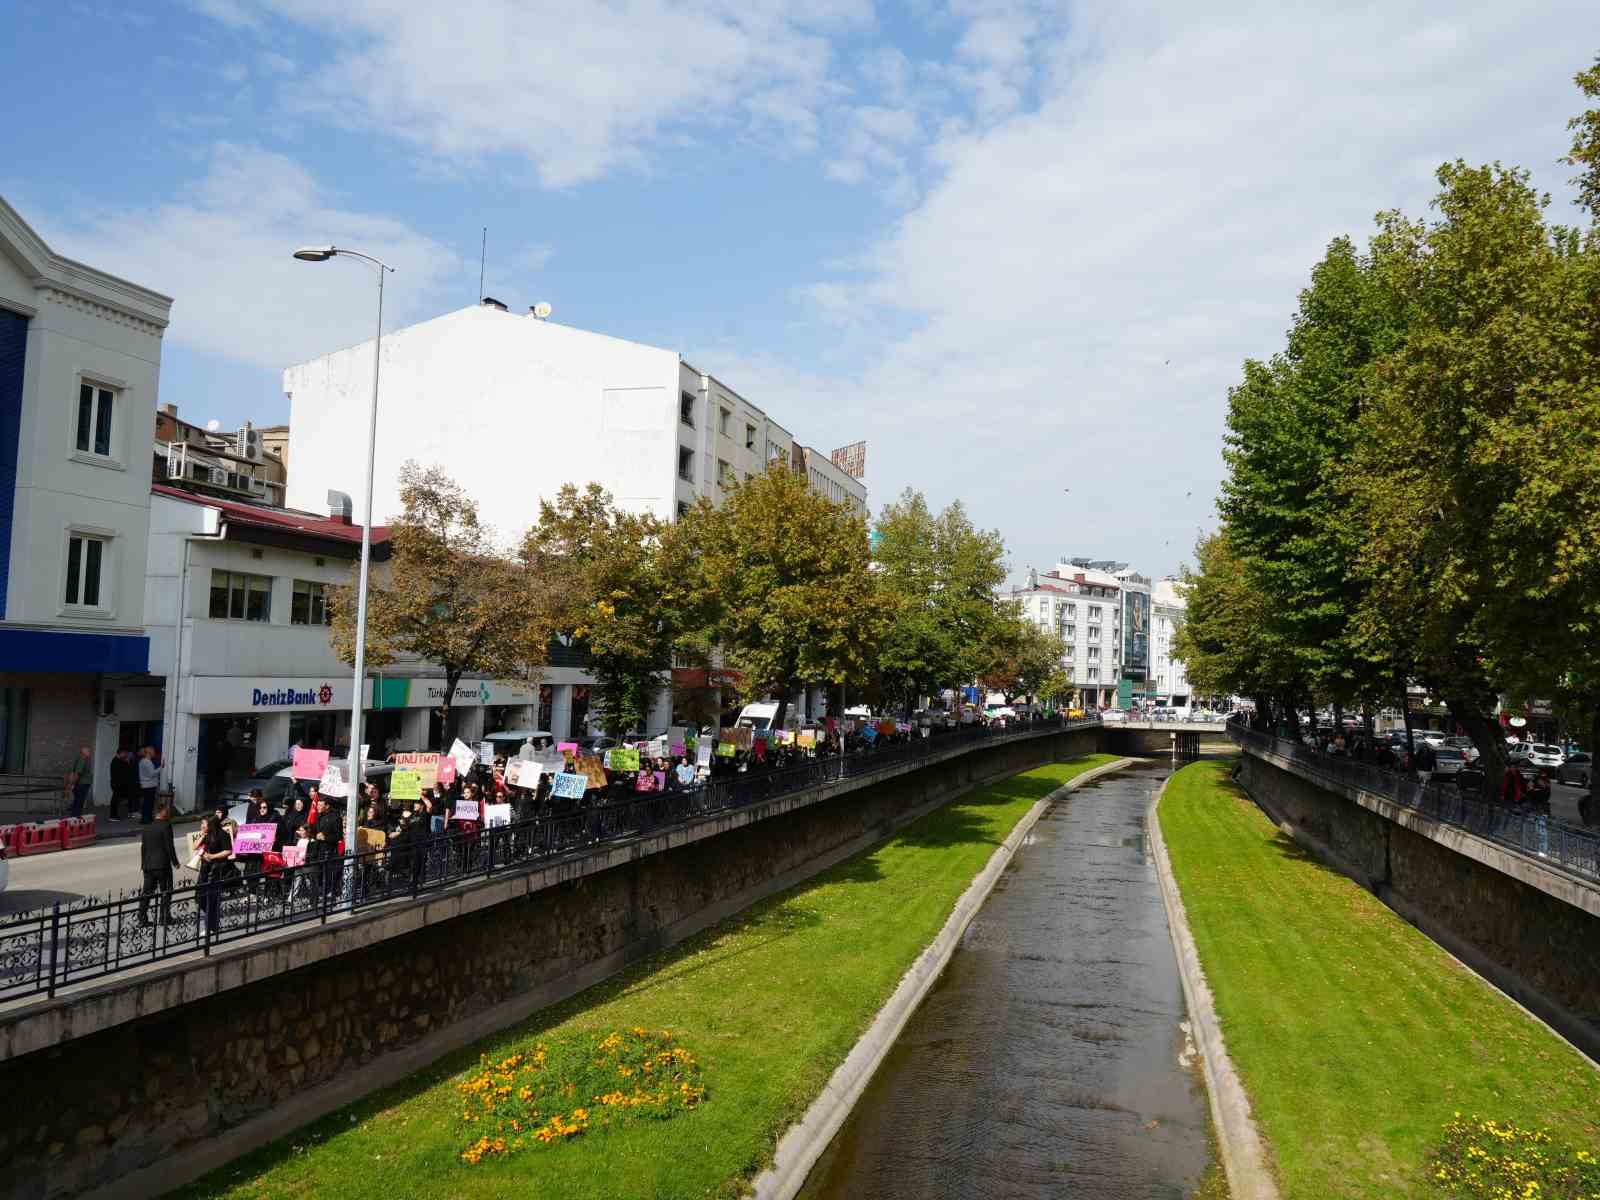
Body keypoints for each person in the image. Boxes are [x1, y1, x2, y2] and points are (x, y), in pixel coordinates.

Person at [138, 803, 181, 926]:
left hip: (148, 866)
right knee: (166, 891)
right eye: (167, 811)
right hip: (162, 866)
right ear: (161, 812)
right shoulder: (166, 826)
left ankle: (142, 919)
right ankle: (164, 917)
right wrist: (175, 862)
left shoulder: (147, 827)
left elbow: (143, 848)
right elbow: (169, 846)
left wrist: (143, 864)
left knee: (146, 893)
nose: (169, 813)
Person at [196, 814, 235, 936]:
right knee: (200, 898)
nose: (202, 826)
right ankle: (211, 923)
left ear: (211, 825)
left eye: (204, 824)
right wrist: (202, 836)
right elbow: (195, 846)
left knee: (211, 899)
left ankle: (211, 927)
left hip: (216, 870)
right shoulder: (206, 835)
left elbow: (228, 851)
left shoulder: (222, 835)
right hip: (205, 869)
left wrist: (213, 856)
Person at [109, 749, 137, 823]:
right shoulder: (116, 761)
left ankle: (115, 815)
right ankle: (113, 816)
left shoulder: (119, 761)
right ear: (120, 753)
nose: (125, 755)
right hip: (117, 784)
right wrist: (126, 763)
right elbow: (121, 772)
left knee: (117, 799)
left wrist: (127, 762)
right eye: (124, 753)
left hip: (119, 783)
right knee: (115, 799)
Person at [66, 745, 92, 819]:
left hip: (82, 784)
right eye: (88, 751)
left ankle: (75, 817)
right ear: (83, 752)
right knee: (79, 802)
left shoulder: (83, 759)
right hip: (81, 784)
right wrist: (72, 784)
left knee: (79, 801)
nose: (90, 753)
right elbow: (77, 774)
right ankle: (75, 817)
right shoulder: (82, 760)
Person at [137, 746, 160, 824]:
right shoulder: (147, 762)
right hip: (149, 785)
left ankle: (147, 818)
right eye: (153, 751)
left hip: (146, 785)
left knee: (147, 803)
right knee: (148, 803)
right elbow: (152, 773)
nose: (154, 753)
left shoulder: (143, 761)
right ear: (149, 753)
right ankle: (146, 819)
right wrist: (161, 768)